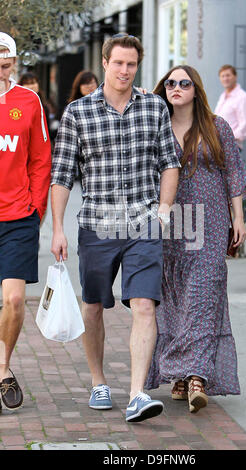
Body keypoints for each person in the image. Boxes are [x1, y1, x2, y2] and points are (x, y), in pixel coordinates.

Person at [51, 33, 180, 423]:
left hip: (144, 224)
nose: (125, 70)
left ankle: (137, 393)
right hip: (97, 225)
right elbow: (62, 176)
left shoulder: (154, 107)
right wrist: (57, 228)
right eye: (119, 63)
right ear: (105, 63)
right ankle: (98, 382)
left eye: (132, 64)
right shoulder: (78, 113)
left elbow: (170, 163)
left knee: (144, 304)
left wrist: (163, 212)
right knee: (93, 306)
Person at [144, 65, 246, 413]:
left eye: (183, 83)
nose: (176, 88)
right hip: (171, 225)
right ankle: (179, 374)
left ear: (195, 89)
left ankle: (197, 376)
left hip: (212, 223)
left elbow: (233, 170)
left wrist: (239, 217)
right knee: (174, 298)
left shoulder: (216, 126)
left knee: (204, 296)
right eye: (170, 83)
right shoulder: (156, 125)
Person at [0, 33, 51, 410]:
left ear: (14, 63)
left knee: (15, 300)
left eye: (5, 64)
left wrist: (37, 207)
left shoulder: (28, 101)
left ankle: (3, 367)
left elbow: (40, 158)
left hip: (18, 216)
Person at [214, 64, 246, 152]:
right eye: (222, 76)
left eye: (228, 75)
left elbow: (244, 125)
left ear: (235, 77)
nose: (225, 78)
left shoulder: (242, 96)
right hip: (218, 145)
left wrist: (228, 139)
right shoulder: (223, 96)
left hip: (231, 146)